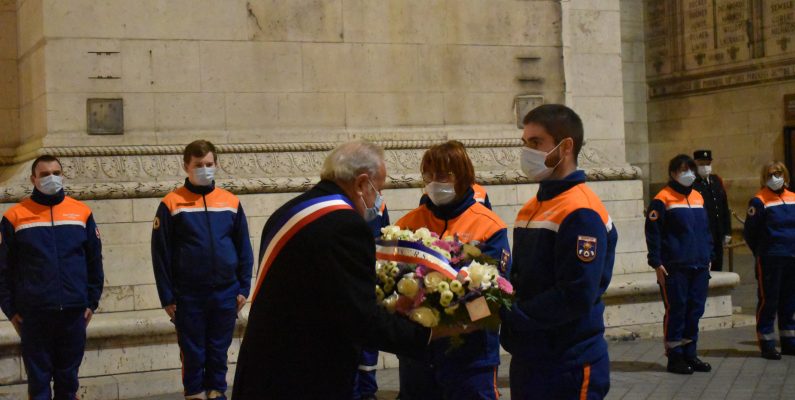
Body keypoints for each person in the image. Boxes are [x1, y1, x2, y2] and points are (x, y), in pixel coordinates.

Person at [232, 141, 465, 399]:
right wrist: (431, 331)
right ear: (362, 183)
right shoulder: (344, 226)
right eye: (379, 189)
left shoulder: (290, 211)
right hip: (302, 378)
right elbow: (360, 317)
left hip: (265, 370)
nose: (378, 199)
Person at [500, 104, 616, 399]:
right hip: (532, 355)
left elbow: (576, 294)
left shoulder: (580, 210)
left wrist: (513, 315)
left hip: (568, 361)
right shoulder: (533, 206)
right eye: (525, 143)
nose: (527, 152)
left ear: (565, 147)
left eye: (536, 143)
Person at [396, 140, 511, 400]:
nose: (434, 182)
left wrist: (458, 322)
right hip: (418, 355)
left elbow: (495, 296)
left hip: (470, 356)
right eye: (429, 175)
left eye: (443, 175)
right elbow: (392, 284)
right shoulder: (407, 224)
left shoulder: (488, 226)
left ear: (463, 176)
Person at [151, 140, 254, 400]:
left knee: (219, 352)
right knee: (193, 353)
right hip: (189, 296)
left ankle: (217, 394)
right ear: (186, 166)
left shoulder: (230, 202)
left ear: (216, 165)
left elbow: (244, 249)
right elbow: (160, 255)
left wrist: (243, 288)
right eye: (198, 165)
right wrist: (167, 297)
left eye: (209, 164)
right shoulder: (171, 203)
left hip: (225, 293)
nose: (204, 169)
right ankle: (195, 394)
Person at [0, 155, 104, 400]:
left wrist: (91, 302)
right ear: (33, 179)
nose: (51, 178)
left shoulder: (81, 213)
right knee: (38, 385)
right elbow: (3, 269)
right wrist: (10, 309)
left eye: (56, 172)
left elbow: (94, 263)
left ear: (63, 175)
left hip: (73, 312)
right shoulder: (15, 217)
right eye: (44, 174)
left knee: (68, 384)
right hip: (34, 314)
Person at [645, 154, 713, 374]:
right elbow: (653, 233)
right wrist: (656, 261)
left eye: (691, 170)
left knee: (695, 310)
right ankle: (675, 356)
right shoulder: (662, 199)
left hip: (699, 264)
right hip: (675, 266)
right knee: (677, 309)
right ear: (673, 173)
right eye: (683, 170)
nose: (689, 174)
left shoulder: (698, 197)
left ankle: (690, 353)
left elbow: (705, 230)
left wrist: (708, 255)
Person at [743, 161, 795, 360]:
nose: (776, 178)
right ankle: (767, 342)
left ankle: (789, 340)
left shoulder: (792, 198)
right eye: (771, 174)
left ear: (785, 175)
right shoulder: (759, 201)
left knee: (790, 300)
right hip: (770, 258)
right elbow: (750, 232)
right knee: (769, 300)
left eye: (779, 173)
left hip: (792, 256)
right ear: (765, 177)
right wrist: (761, 251)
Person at [353, 200, 390, 400]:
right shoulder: (340, 203)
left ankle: (368, 393)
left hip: (372, 285)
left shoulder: (380, 206)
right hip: (349, 284)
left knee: (368, 350)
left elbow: (387, 243)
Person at [692, 150, 732, 271]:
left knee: (717, 265)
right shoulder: (693, 184)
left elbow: (724, 207)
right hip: (703, 233)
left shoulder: (716, 180)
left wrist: (727, 231)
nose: (705, 167)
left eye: (707, 163)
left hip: (718, 232)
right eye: (701, 164)